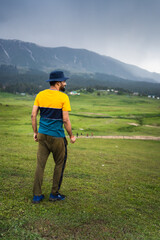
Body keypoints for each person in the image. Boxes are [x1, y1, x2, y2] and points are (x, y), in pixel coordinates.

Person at [31, 71, 76, 204]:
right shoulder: (63, 97)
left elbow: (33, 115)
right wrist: (71, 136)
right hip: (57, 136)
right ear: (58, 83)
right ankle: (54, 194)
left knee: (40, 165)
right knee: (59, 164)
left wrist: (35, 132)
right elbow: (66, 120)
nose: (65, 83)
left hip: (42, 135)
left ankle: (37, 195)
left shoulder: (40, 95)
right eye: (63, 81)